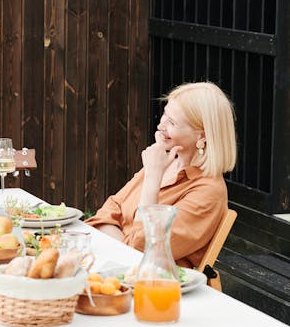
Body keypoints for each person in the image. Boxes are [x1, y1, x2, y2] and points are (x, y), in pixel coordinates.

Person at [85, 81, 237, 268]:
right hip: (114, 267)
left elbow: (143, 251)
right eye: (164, 114)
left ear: (202, 136)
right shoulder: (167, 162)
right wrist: (125, 244)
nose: (161, 125)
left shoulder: (208, 192)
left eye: (172, 122)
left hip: (159, 288)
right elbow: (107, 212)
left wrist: (152, 178)